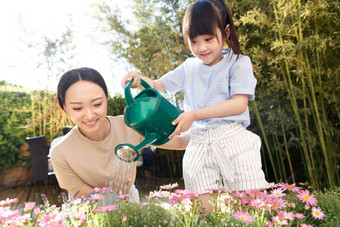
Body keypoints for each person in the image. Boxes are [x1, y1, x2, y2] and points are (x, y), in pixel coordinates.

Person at [122, 0, 268, 211]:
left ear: (226, 33)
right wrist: (138, 80)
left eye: (208, 39)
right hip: (198, 142)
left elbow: (238, 104)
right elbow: (156, 85)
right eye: (194, 41)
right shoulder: (188, 67)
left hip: (232, 138)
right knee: (202, 206)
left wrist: (194, 115)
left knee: (248, 203)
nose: (201, 48)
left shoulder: (238, 62)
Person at [51, 67, 189, 203]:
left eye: (97, 104)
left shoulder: (130, 126)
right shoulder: (61, 153)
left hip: (130, 200)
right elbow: (92, 198)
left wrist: (203, 120)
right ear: (65, 108)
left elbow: (181, 142)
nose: (89, 115)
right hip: (88, 210)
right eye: (78, 108)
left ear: (106, 99)